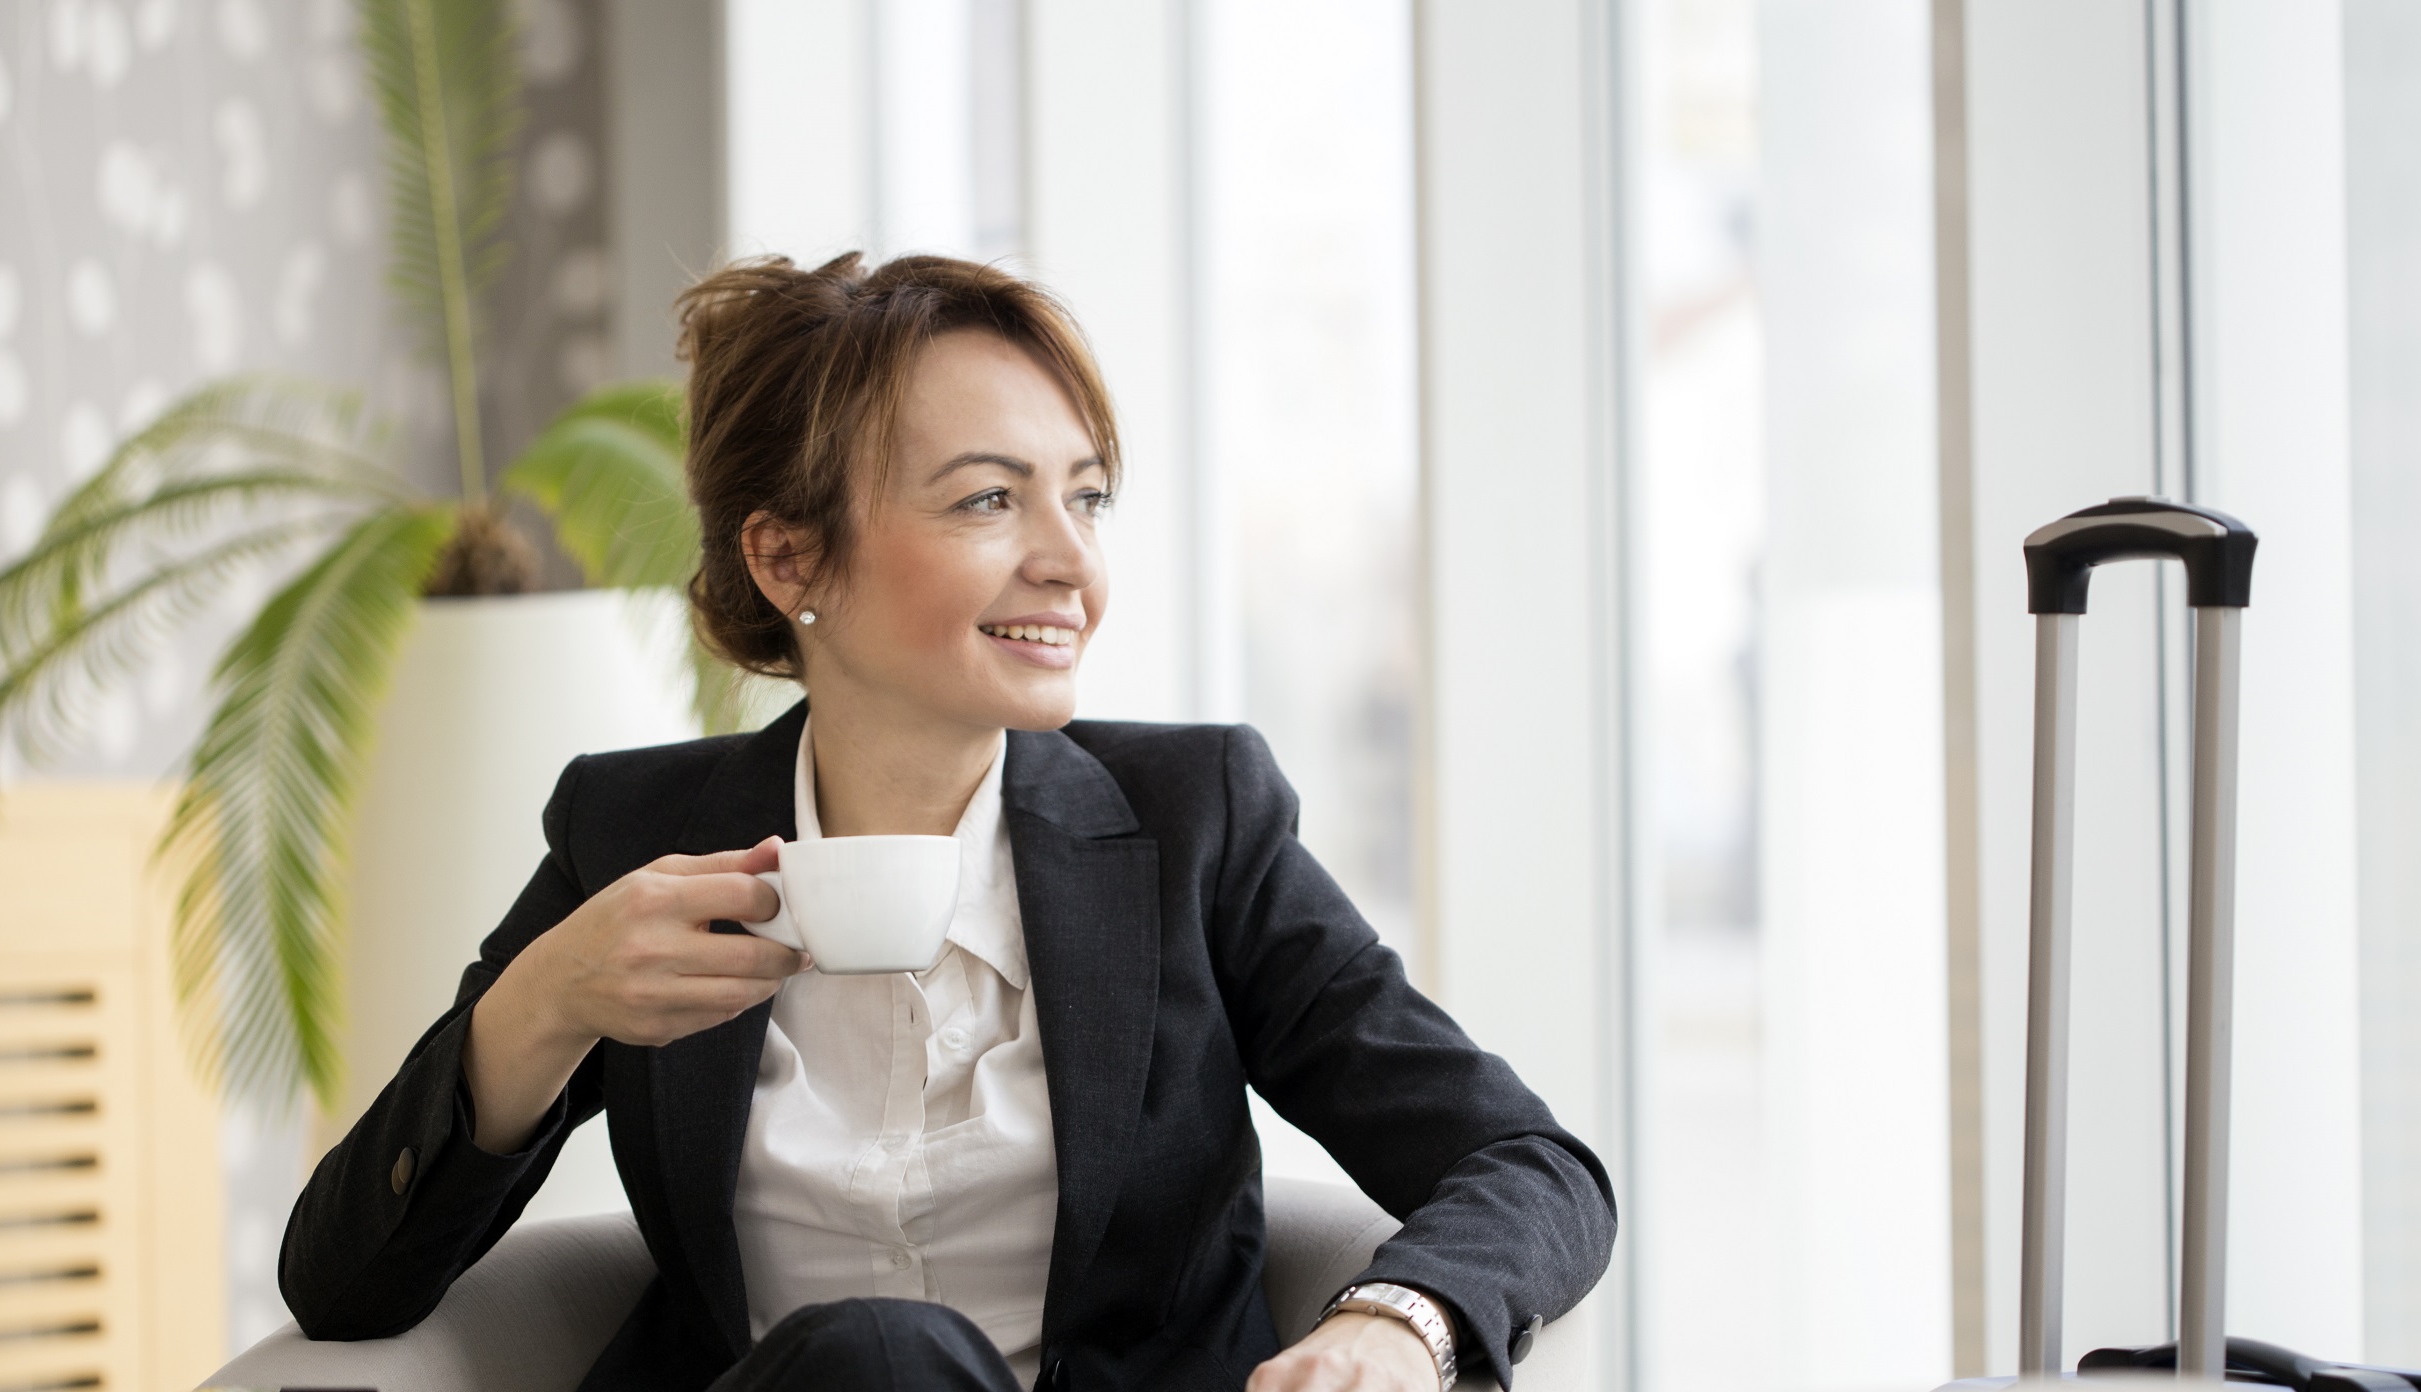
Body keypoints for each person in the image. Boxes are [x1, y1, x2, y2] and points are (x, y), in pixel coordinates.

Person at [279, 253, 1615, 1392]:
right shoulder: (641, 835)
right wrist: (548, 998)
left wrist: (1397, 1320)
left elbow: (1530, 1166)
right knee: (871, 1362)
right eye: (990, 498)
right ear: (789, 556)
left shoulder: (1195, 823)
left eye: (1084, 496)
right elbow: (340, 1280)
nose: (1071, 561)